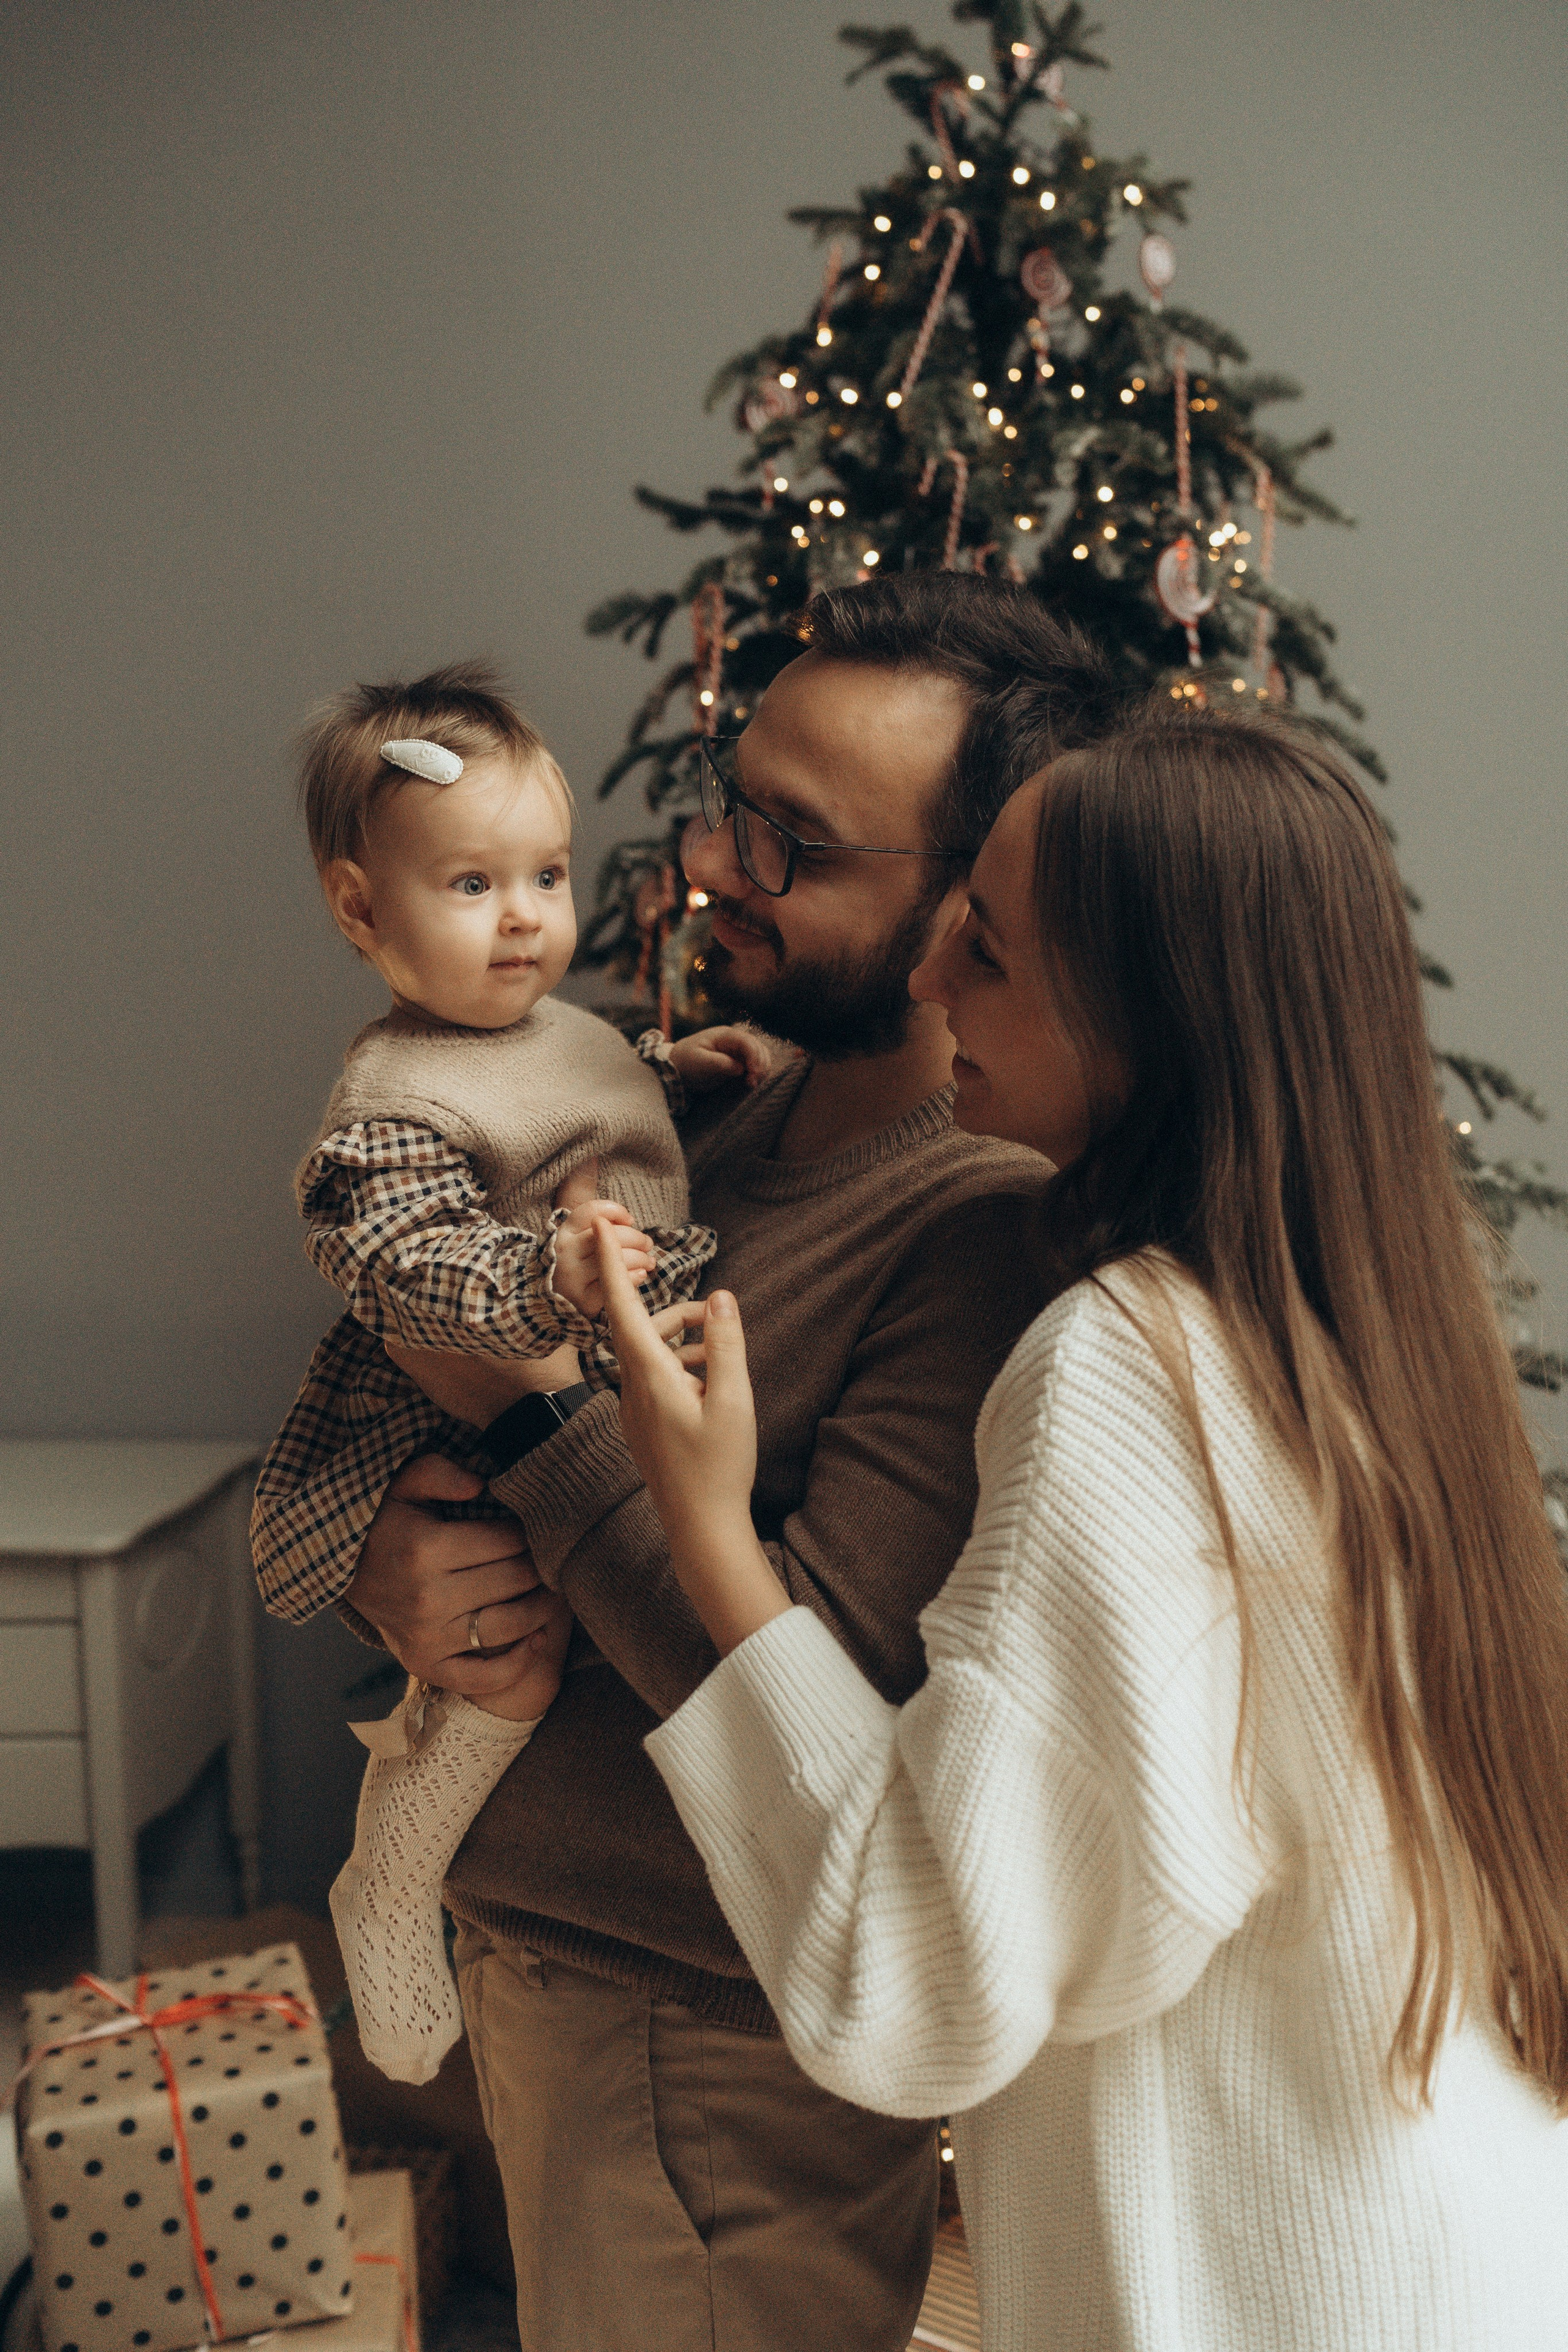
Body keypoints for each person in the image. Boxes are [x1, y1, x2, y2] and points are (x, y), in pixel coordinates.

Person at [600, 703, 1568, 2352]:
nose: (925, 983)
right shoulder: (1388, 1349)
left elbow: (917, 1974)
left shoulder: (1128, 1371)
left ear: (1148, 1018)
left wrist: (707, 1542)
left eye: (986, 950)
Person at [254, 577, 1128, 2352]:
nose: (712, 864)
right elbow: (463, 1397)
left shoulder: (980, 1238)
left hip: (703, 2045)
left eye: (794, 844)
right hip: (562, 1982)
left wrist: (513, 1417)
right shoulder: (704, 1114)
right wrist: (400, 1558)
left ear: (972, 907)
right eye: (737, 801)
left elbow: (835, 1701)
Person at [252, 660, 766, 2083]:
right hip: (462, 1433)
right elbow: (396, 1261)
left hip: (596, 1406)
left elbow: (585, 1095)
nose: (526, 914)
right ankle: (391, 1876)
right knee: (510, 1674)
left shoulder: (572, 1029)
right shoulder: (396, 1097)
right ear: (363, 909)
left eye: (545, 871)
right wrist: (543, 1274)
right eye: (470, 885)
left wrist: (680, 1071)